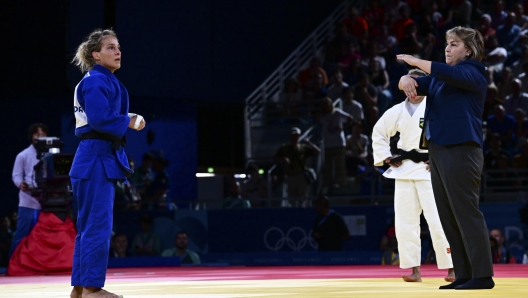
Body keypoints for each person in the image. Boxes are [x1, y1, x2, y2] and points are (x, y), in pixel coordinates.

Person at [397, 26, 494, 290]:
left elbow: (444, 72)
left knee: (466, 212)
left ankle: (482, 276)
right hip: (439, 150)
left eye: (454, 44)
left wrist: (415, 62)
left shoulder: (474, 71)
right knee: (448, 215)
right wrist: (406, 78)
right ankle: (464, 274)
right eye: (447, 44)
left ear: (469, 50)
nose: (447, 48)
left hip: (462, 149)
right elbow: (416, 82)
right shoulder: (441, 78)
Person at [70, 28, 146, 298]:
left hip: (95, 156)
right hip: (96, 157)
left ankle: (80, 289)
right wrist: (128, 120)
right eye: (110, 47)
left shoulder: (100, 80)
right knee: (98, 225)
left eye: (118, 47)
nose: (117, 51)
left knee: (89, 226)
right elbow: (101, 119)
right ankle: (92, 288)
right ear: (96, 55)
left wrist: (127, 116)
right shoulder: (95, 81)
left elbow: (101, 116)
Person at [372, 69, 455, 283]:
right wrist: (387, 157)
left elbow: (451, 135)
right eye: (408, 86)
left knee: (438, 221)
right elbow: (379, 132)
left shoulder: (437, 107)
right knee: (405, 222)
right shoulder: (397, 111)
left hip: (430, 170)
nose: (412, 90)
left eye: (416, 86)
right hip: (404, 170)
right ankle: (414, 270)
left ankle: (453, 268)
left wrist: (438, 158)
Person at [9, 123, 48, 258]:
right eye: (37, 135)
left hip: (47, 202)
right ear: (31, 137)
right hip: (28, 201)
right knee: (22, 234)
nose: (40, 137)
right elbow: (16, 175)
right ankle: (12, 264)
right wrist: (21, 183)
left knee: (44, 237)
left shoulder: (51, 154)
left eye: (43, 135)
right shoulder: (23, 155)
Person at [274, 127, 321, 202]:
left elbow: (317, 151)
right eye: (293, 136)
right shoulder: (284, 148)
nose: (295, 138)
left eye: (296, 136)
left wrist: (309, 143)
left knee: (303, 198)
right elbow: (275, 158)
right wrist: (283, 159)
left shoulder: (302, 147)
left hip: (301, 176)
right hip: (290, 176)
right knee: (291, 198)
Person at [318, 97, 354, 188]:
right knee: (328, 164)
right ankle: (329, 182)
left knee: (339, 164)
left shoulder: (337, 112)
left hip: (338, 142)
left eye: (328, 105)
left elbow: (350, 118)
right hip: (328, 143)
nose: (326, 107)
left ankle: (341, 182)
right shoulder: (323, 116)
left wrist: (343, 128)